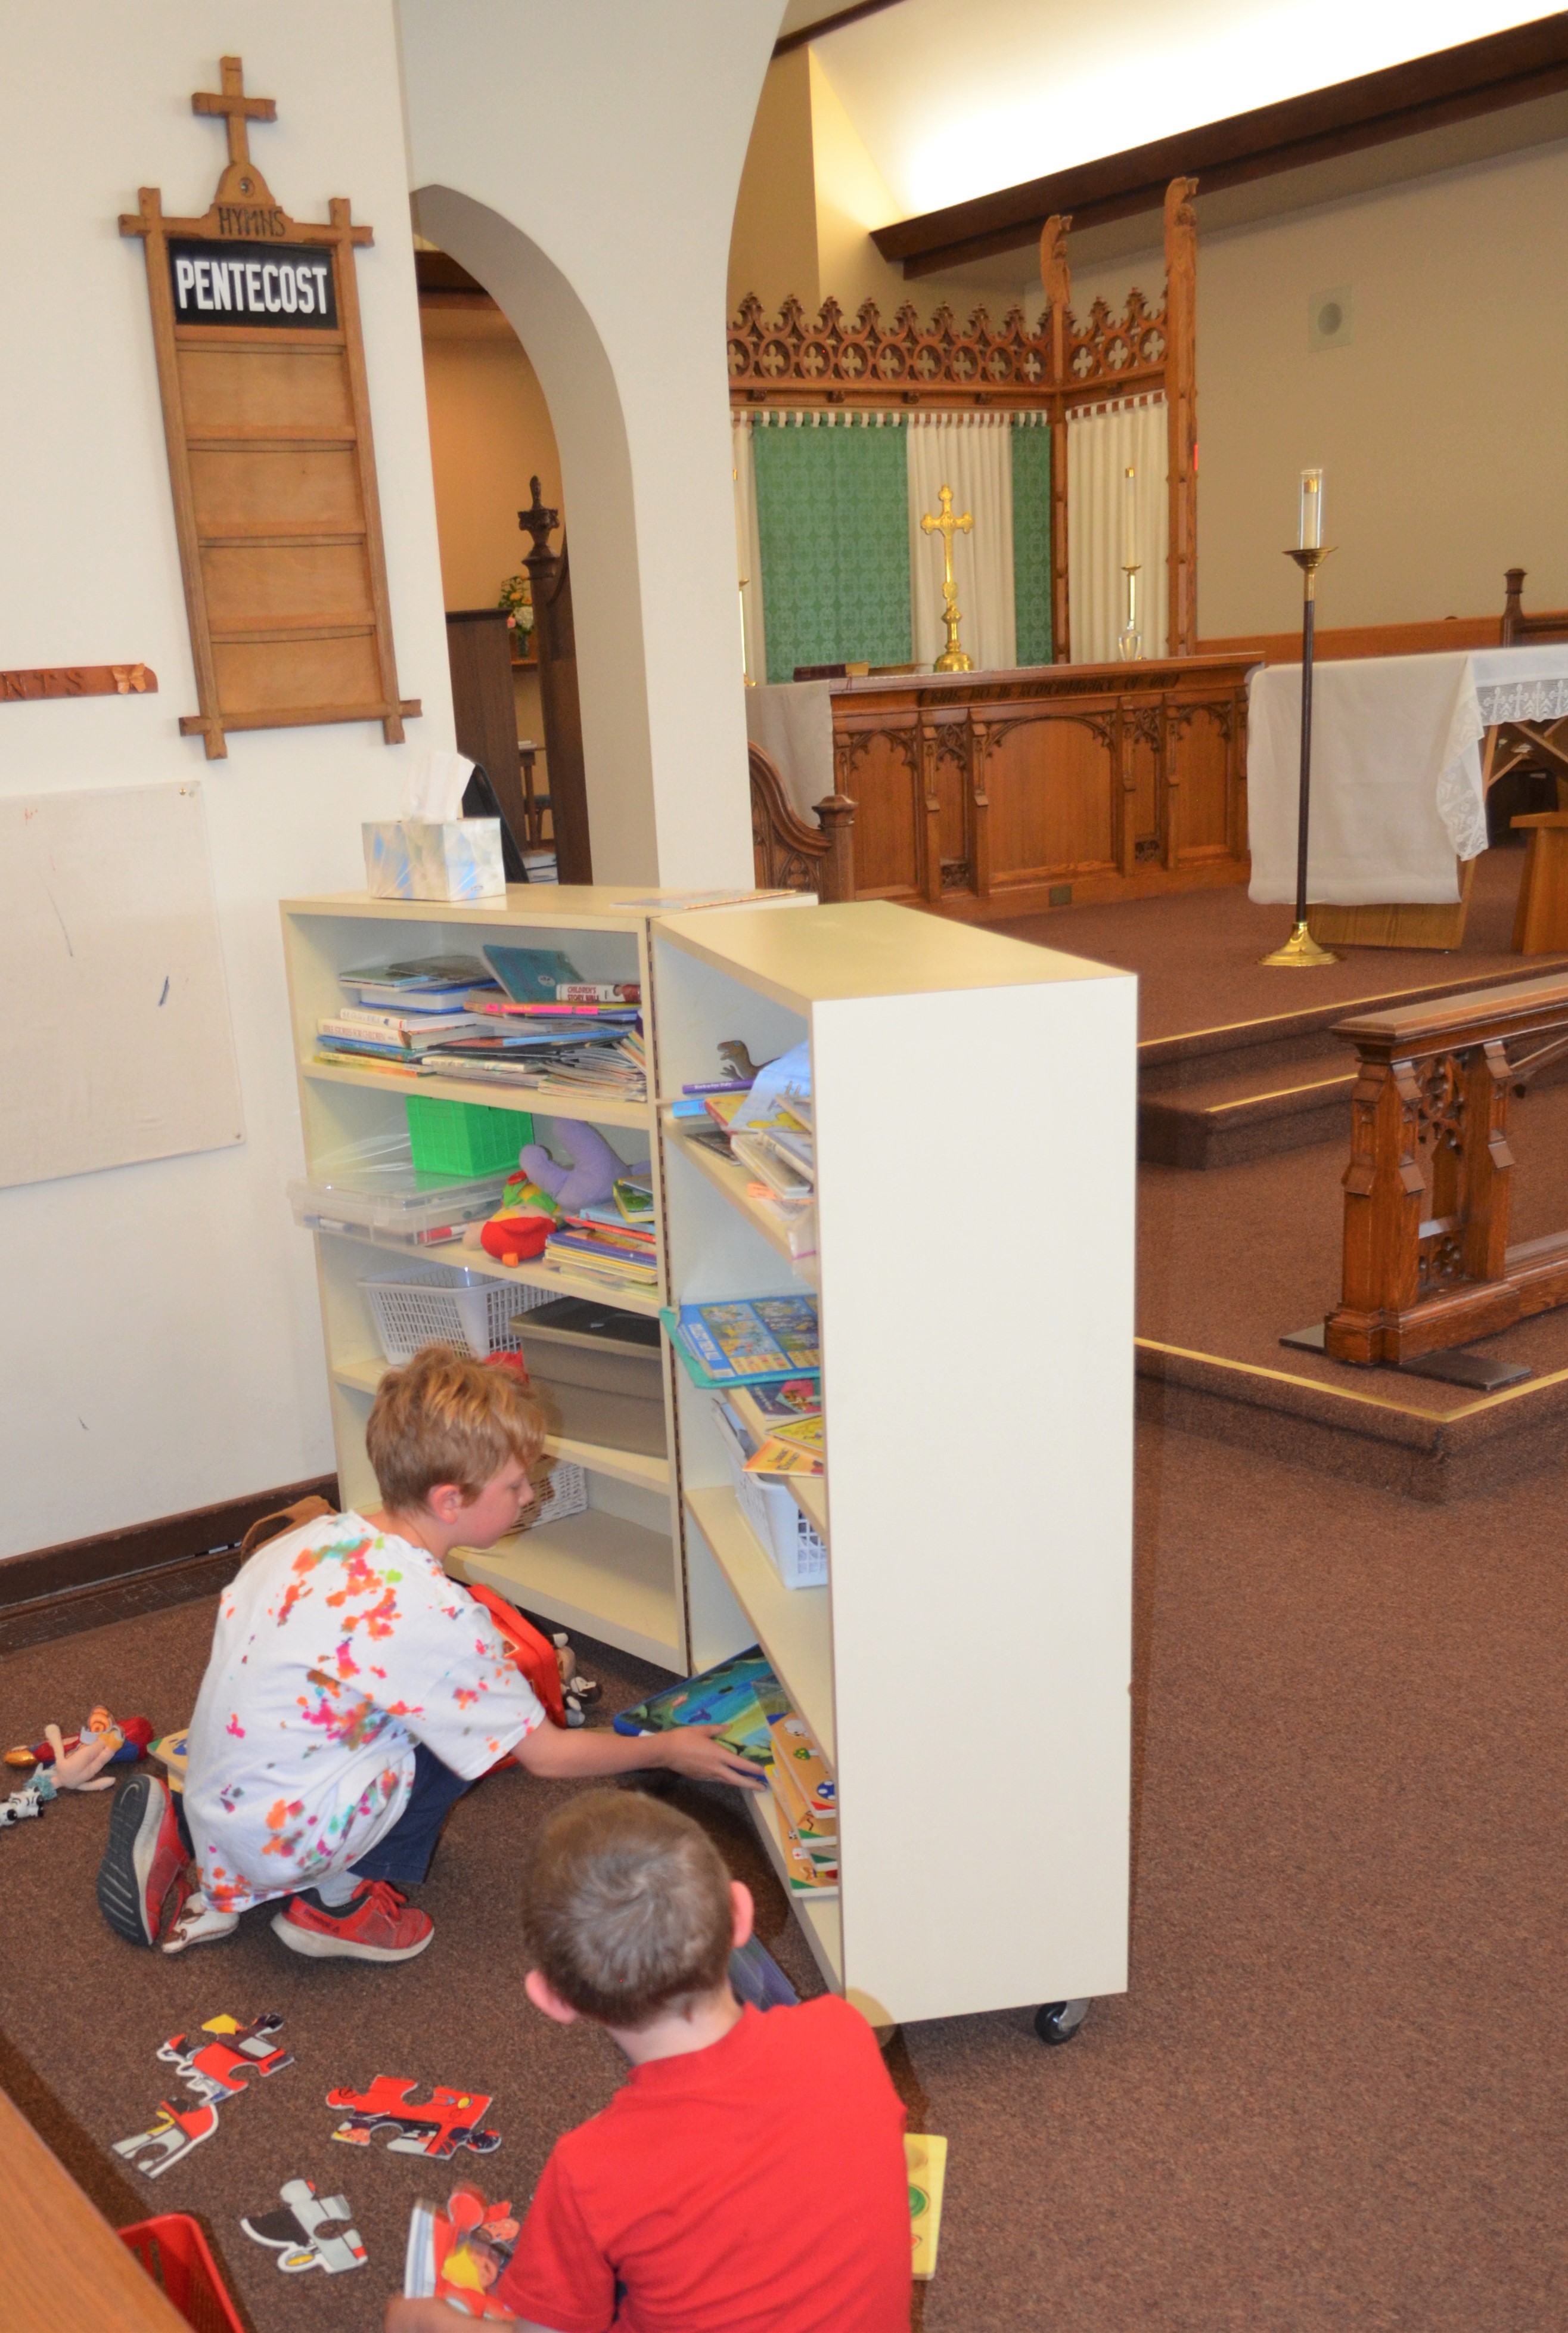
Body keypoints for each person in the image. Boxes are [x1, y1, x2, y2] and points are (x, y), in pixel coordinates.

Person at [95, 1346, 763, 1962]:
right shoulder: (438, 1616)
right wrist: (668, 1749)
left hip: (224, 1796)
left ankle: (188, 1829)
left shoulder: (314, 1537)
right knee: (469, 1730)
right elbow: (547, 1754)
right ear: (450, 1500)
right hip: (287, 1841)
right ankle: (339, 1902)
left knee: (432, 1705)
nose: (532, 1493)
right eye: (516, 1484)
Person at [386, 1789, 912, 2333]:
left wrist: (425, 2323)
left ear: (554, 2001)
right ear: (740, 1915)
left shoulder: (588, 2169)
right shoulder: (843, 2032)